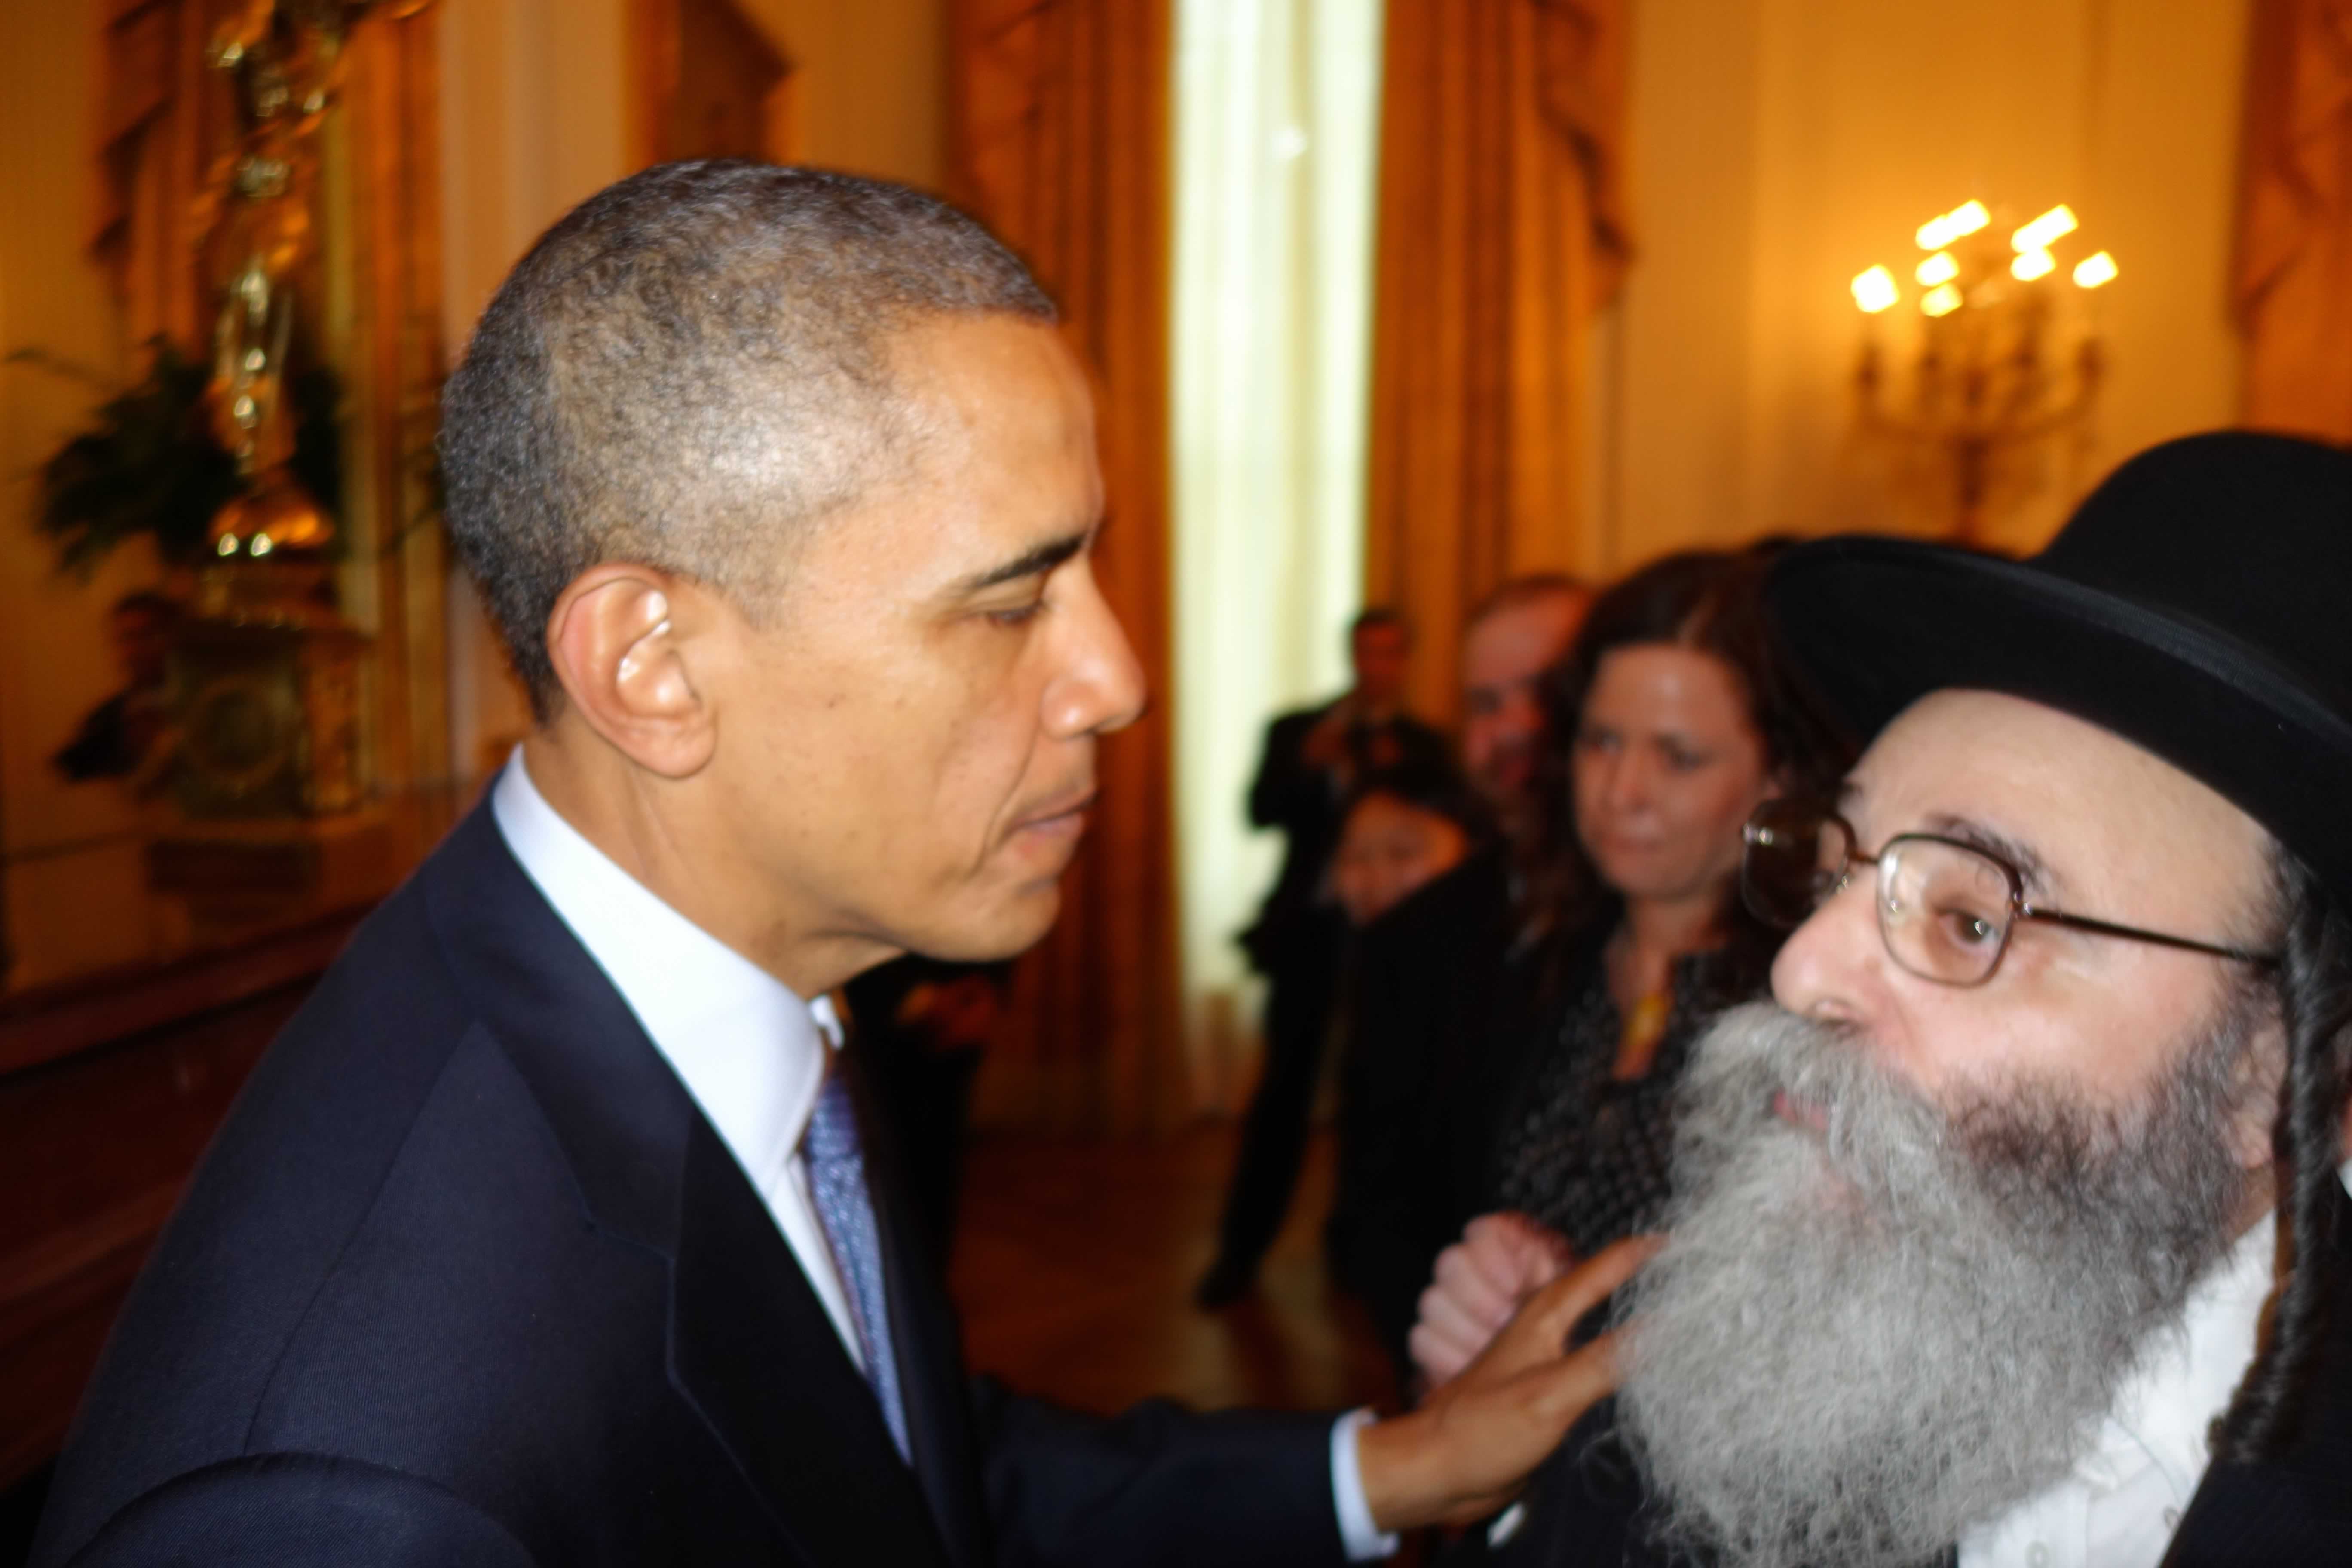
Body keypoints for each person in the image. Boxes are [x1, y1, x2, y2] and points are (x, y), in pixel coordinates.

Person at [29, 161, 1633, 1568]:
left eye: (1090, 562)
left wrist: (1391, 1463)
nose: (1119, 675)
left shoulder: (723, 987)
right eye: (1012, 601)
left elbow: (875, 1468)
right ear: (650, 661)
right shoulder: (349, 1488)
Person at [1420, 432, 2352, 1568]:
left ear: (2280, 1061)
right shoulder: (1694, 1359)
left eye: (1971, 919)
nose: (1801, 967)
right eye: (1836, 871)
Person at [1409, 551, 1849, 1386]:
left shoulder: (1810, 1014)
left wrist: (1566, 1325)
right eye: (1602, 741)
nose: (1622, 792)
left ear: (1779, 778)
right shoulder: (1514, 953)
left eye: (1679, 758)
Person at [1329, 579, 1596, 1377]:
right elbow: (1378, 1203)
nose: (1511, 727)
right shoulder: (1410, 941)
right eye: (1483, 704)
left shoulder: (1694, 927)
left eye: (1543, 693)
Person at [1199, 610, 1452, 1306]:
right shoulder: (1298, 729)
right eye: (1365, 651)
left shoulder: (1427, 744)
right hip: (1306, 938)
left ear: (1404, 659)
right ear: (1350, 654)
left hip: (1393, 944)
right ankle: (1238, 1251)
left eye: (1388, 652)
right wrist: (1308, 767)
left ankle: (1354, 1247)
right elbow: (1257, 812)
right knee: (1280, 1095)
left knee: (1377, 1093)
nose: (1375, 665)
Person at [52, 591, 179, 788]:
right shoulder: (104, 720)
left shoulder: (210, 705)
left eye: (147, 635)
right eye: (126, 638)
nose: (135, 649)